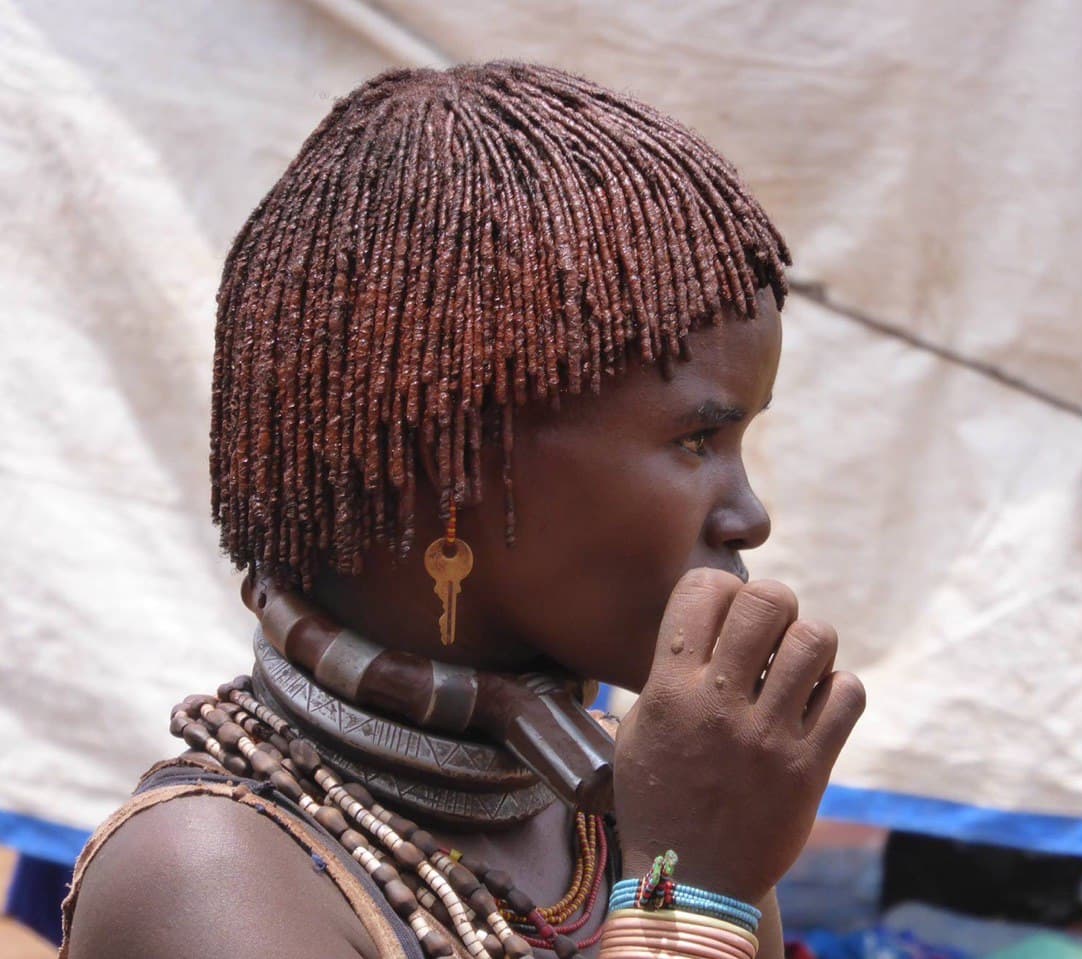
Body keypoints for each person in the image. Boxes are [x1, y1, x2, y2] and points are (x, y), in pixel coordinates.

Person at [60, 61, 865, 959]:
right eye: (696, 441)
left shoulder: (645, 802)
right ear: (452, 465)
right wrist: (696, 891)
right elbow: (683, 889)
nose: (747, 515)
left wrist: (694, 854)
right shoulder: (204, 877)